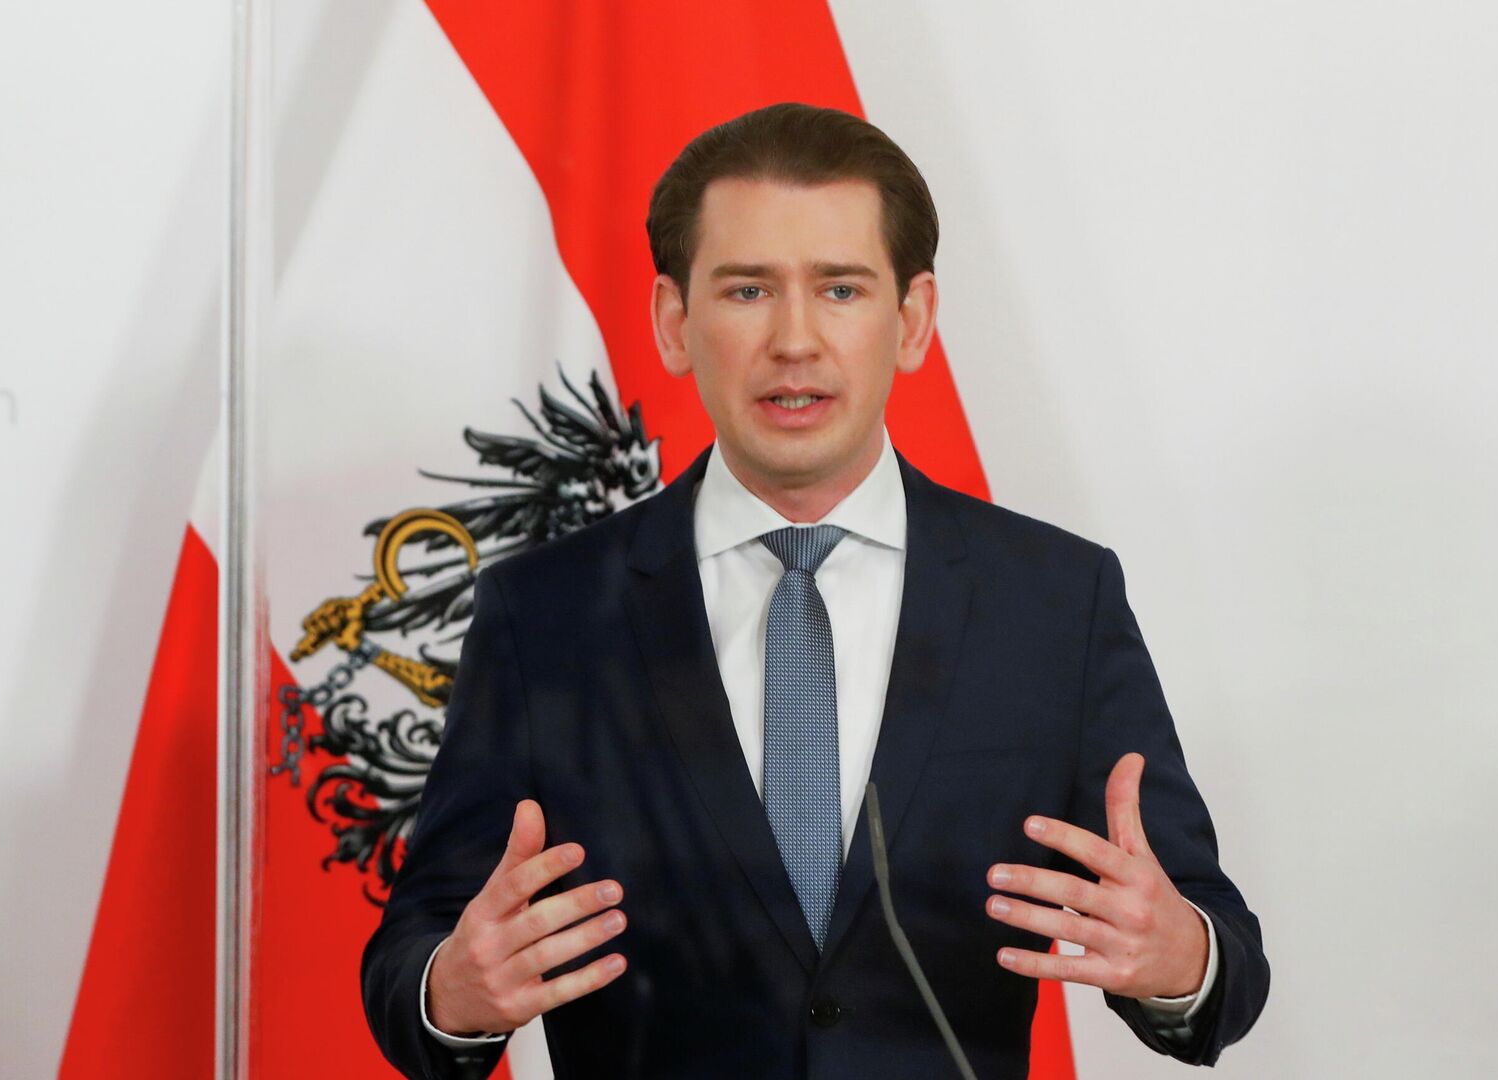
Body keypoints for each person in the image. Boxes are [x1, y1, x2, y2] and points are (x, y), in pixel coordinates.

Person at [361, 102, 1268, 1079]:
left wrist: (1180, 958)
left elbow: (1223, 962)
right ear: (675, 322)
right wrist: (454, 992)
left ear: (911, 321)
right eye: (748, 290)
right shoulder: (543, 615)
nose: (794, 340)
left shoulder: (1053, 602)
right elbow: (415, 954)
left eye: (840, 289)